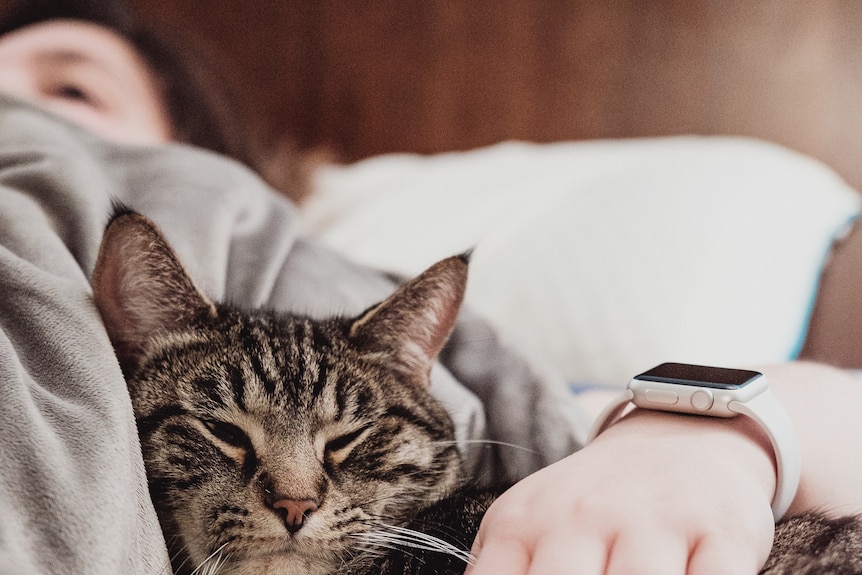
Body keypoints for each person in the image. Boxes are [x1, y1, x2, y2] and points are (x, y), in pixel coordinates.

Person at [0, 3, 861, 575]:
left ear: (204, 158)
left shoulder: (372, 312)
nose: (297, 499)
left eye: (68, 88)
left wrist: (685, 442)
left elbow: (840, 407)